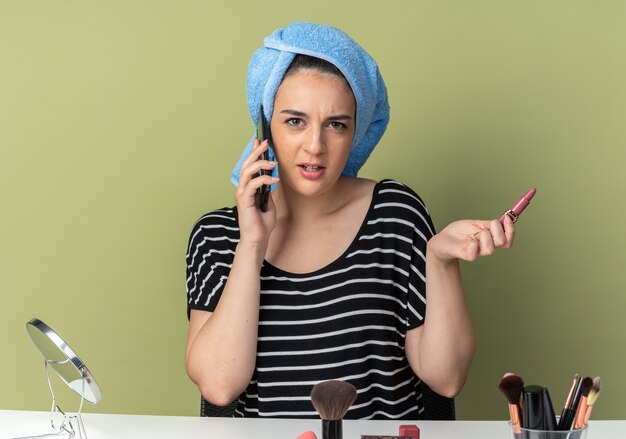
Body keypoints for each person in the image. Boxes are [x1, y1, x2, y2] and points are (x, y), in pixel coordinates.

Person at [185, 22, 515, 419]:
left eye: (336, 124)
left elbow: (445, 379)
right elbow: (220, 386)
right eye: (295, 121)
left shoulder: (396, 214)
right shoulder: (217, 237)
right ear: (264, 127)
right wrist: (252, 244)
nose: (315, 145)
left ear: (356, 132)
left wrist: (440, 261)